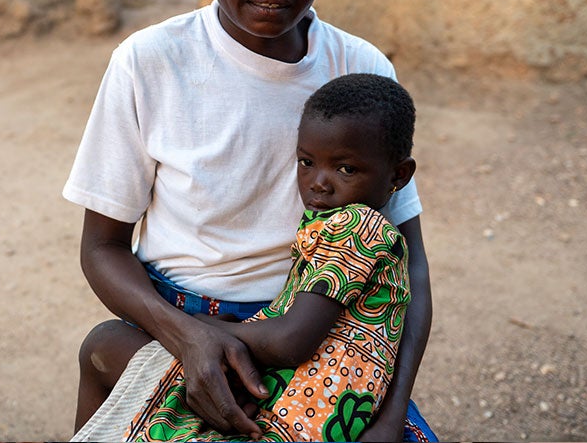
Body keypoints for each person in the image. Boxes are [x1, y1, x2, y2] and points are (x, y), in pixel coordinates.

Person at [63, 0, 434, 441]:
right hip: (180, 320)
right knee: (108, 358)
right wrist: (188, 338)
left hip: (324, 338)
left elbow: (411, 263)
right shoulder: (150, 62)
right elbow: (102, 249)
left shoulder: (359, 69)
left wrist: (392, 414)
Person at [75, 73, 419, 441]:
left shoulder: (356, 226)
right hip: (314, 415)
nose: (319, 182)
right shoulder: (356, 228)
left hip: (285, 422)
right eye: (306, 163)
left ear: (399, 175)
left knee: (107, 342)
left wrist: (200, 328)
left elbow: (290, 342)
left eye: (346, 169)